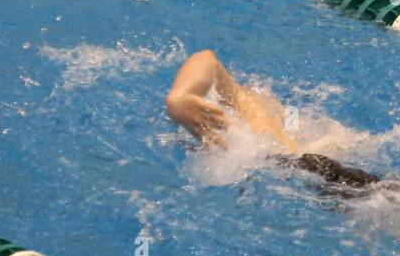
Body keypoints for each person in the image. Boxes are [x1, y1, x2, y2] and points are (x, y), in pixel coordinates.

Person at [164, 49, 383, 196]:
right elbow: (206, 58)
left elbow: (205, 59)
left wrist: (181, 96)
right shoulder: (254, 105)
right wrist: (179, 98)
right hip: (300, 169)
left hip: (294, 168)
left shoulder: (250, 106)